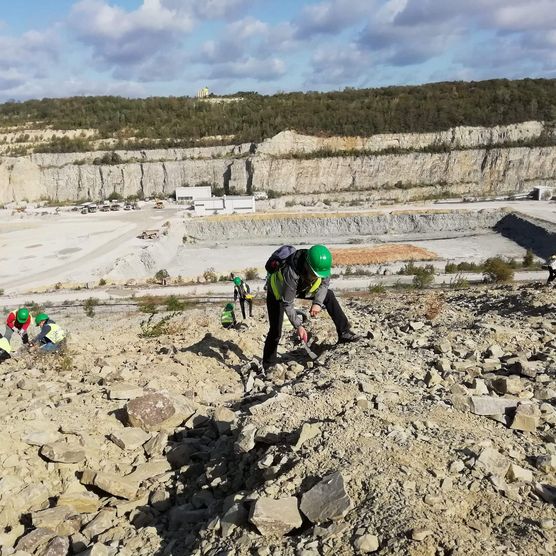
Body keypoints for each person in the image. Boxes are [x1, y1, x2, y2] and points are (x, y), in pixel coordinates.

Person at [262, 244, 359, 369]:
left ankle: (344, 332)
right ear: (307, 265)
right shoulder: (291, 272)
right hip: (278, 292)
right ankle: (268, 365)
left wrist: (317, 303)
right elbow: (287, 303)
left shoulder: (322, 266)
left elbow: (325, 285)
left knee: (328, 295)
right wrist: (298, 326)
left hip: (302, 286)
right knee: (275, 331)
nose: (318, 277)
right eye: (315, 274)